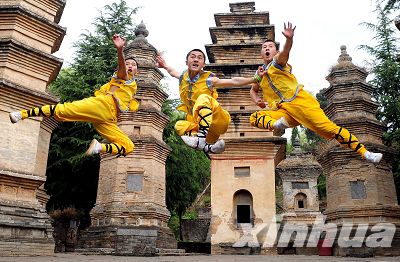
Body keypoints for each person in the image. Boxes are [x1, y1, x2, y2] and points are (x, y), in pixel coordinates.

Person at [249, 22, 382, 163]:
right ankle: (276, 125)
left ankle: (365, 152)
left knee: (331, 129)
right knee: (254, 118)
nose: (267, 49)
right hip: (284, 112)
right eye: (264, 47)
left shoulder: (278, 62)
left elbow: (286, 51)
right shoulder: (260, 73)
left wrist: (289, 39)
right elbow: (253, 90)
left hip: (301, 103)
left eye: (270, 47)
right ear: (261, 53)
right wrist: (257, 100)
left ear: (276, 51)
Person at [9, 34, 139, 157]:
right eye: (128, 63)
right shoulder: (122, 77)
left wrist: (160, 66)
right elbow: (122, 70)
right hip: (103, 106)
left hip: (109, 118)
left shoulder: (133, 85)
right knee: (63, 110)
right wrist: (120, 50)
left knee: (129, 146)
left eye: (133, 65)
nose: (130, 66)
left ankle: (99, 147)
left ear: (137, 72)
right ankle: (22, 114)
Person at [156, 49, 264, 154]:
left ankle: (201, 139)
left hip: (218, 121)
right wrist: (164, 65)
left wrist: (255, 79)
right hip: (205, 130)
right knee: (179, 125)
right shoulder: (183, 77)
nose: (196, 60)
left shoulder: (209, 79)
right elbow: (172, 72)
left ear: (203, 64)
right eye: (192, 57)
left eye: (200, 58)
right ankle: (208, 147)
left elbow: (233, 81)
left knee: (203, 98)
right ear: (186, 62)